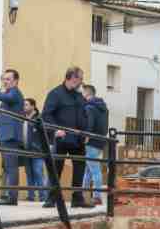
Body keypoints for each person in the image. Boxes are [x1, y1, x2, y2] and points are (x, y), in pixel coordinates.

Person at [42, 66, 89, 208]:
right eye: (80, 78)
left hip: (78, 139)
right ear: (72, 78)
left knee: (79, 168)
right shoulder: (55, 94)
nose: (81, 82)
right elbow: (46, 115)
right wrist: (55, 130)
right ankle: (52, 198)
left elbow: (84, 116)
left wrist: (86, 132)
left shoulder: (79, 96)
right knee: (57, 168)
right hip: (61, 138)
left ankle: (77, 198)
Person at [0, 69, 25, 205]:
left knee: (11, 167)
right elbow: (8, 114)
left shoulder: (14, 93)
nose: (5, 82)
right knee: (9, 167)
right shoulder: (11, 93)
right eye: (3, 79)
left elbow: (7, 99)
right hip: (7, 134)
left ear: (15, 81)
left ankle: (11, 197)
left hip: (11, 136)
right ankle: (10, 196)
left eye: (8, 79)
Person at [81, 84, 108, 205]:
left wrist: (86, 138)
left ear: (87, 94)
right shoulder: (104, 108)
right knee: (88, 170)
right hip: (100, 141)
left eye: (82, 93)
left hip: (90, 142)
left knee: (94, 169)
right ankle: (82, 195)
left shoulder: (89, 107)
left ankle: (97, 196)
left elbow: (89, 124)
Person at [22, 97, 49, 201]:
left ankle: (43, 196)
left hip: (37, 150)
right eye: (24, 105)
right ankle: (31, 196)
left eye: (26, 105)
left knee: (38, 172)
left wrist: (38, 146)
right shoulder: (22, 117)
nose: (24, 107)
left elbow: (43, 134)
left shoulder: (39, 118)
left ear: (33, 106)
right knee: (29, 173)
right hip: (25, 150)